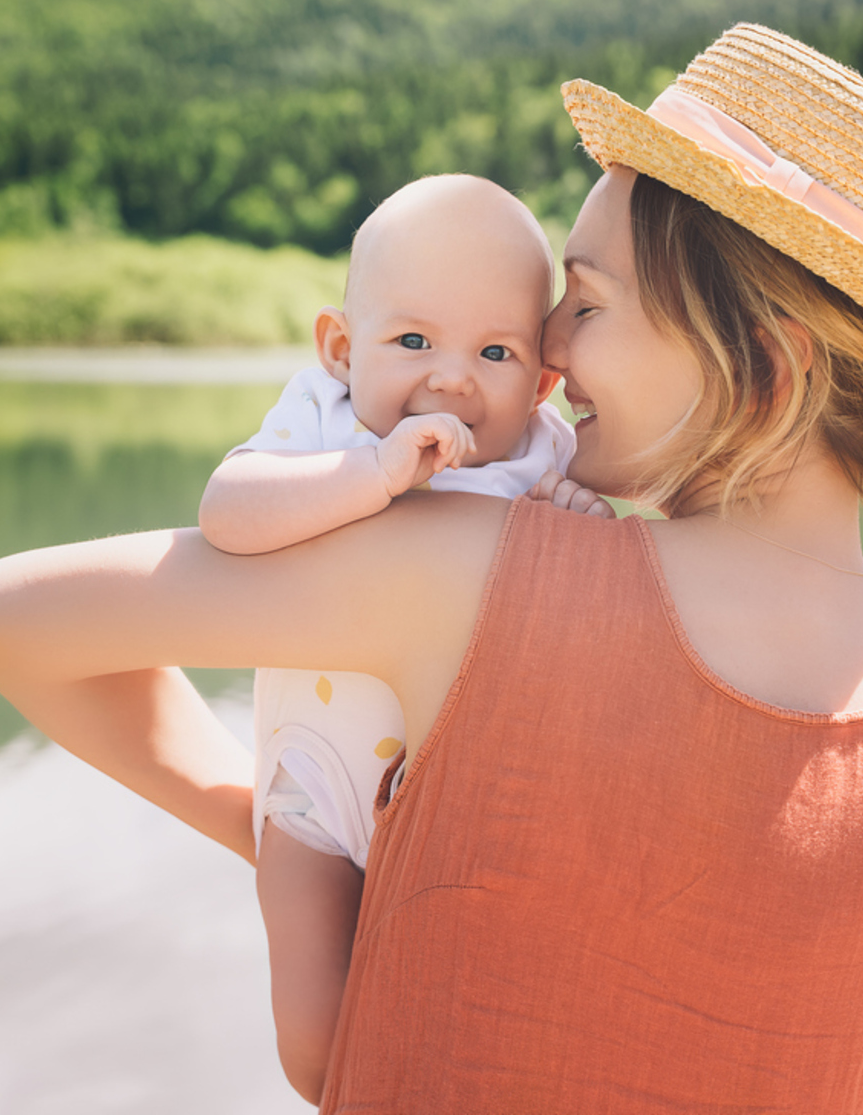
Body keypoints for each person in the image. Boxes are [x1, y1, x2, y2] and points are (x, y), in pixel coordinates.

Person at [0, 24, 863, 1114]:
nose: (540, 346)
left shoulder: (476, 571)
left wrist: (269, 818)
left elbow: (9, 621)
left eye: (584, 301)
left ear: (765, 367)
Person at [197, 173, 595, 1099]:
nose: (451, 376)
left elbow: (578, 604)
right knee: (313, 1039)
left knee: (464, 1021)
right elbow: (227, 515)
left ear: (540, 383)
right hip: (313, 791)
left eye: (493, 351)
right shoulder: (322, 422)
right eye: (412, 340)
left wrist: (580, 516)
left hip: (467, 796)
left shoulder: (539, 453)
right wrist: (371, 476)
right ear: (341, 347)